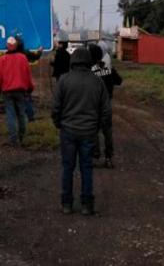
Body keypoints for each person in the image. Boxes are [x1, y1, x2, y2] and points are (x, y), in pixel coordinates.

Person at [52, 46, 111, 216]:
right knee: (86, 168)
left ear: (73, 61)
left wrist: (59, 124)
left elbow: (55, 108)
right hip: (89, 132)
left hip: (68, 131)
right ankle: (87, 205)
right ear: (89, 62)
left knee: (67, 168)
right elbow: (106, 110)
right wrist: (96, 127)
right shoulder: (97, 81)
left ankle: (66, 204)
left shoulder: (63, 80)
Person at [0, 36, 34, 146]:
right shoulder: (23, 58)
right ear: (16, 46)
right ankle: (22, 137)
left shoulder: (2, 60)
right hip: (21, 91)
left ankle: (14, 140)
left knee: (11, 115)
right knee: (21, 114)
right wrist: (30, 88)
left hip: (7, 92)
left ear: (7, 46)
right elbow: (28, 75)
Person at [89, 43, 122, 168]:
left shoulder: (90, 69)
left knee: (93, 131)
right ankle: (109, 158)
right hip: (106, 104)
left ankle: (95, 156)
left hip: (94, 104)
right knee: (107, 132)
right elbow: (119, 81)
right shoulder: (109, 69)